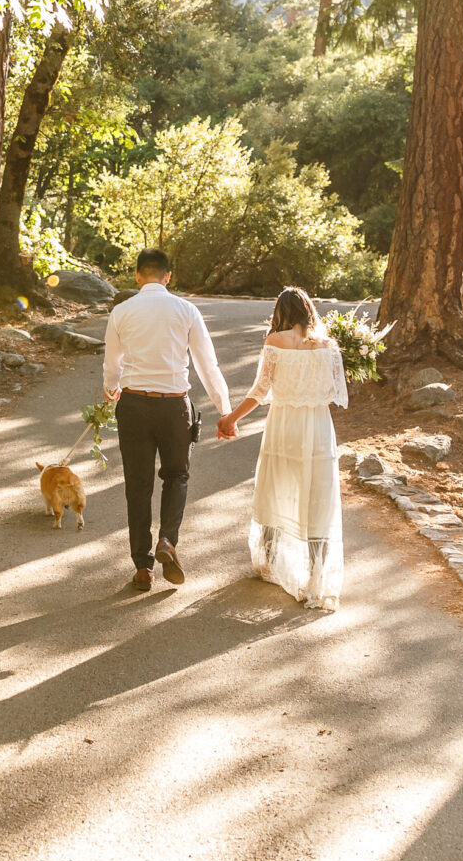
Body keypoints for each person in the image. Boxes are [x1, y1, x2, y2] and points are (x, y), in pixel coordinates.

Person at [100, 249, 233, 593]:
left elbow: (112, 364)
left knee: (138, 486)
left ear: (137, 276)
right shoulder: (186, 310)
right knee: (177, 476)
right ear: (168, 276)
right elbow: (207, 364)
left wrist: (111, 389)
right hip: (174, 407)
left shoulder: (121, 311)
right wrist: (224, 410)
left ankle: (142, 568)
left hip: (133, 406)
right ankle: (167, 541)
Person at [219, 287, 349, 610]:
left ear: (281, 313)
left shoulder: (274, 343)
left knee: (276, 488)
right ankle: (317, 577)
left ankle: (268, 561)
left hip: (284, 426)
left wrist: (231, 418)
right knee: (318, 498)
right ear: (309, 312)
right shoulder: (329, 346)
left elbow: (260, 390)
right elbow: (337, 393)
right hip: (318, 428)